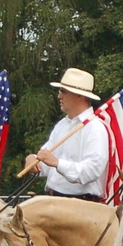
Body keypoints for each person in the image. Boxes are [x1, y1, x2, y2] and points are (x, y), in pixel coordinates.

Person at [31, 68, 108, 201]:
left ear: (79, 96)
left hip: (81, 204)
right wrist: (33, 161)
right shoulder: (62, 125)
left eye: (63, 92)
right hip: (54, 200)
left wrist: (57, 163)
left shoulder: (95, 127)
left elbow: (92, 171)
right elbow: (46, 159)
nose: (59, 96)